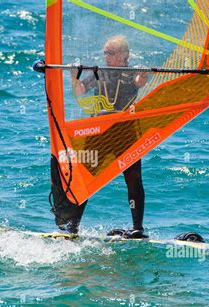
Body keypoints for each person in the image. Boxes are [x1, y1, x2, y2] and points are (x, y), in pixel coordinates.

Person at [51, 36, 148, 239]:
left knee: (133, 179)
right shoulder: (99, 72)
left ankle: (137, 227)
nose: (106, 56)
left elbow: (141, 82)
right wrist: (73, 76)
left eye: (110, 53)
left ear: (124, 56)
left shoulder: (130, 73)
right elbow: (80, 90)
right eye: (105, 52)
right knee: (83, 178)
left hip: (124, 132)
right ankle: (72, 227)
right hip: (98, 133)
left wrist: (143, 72)